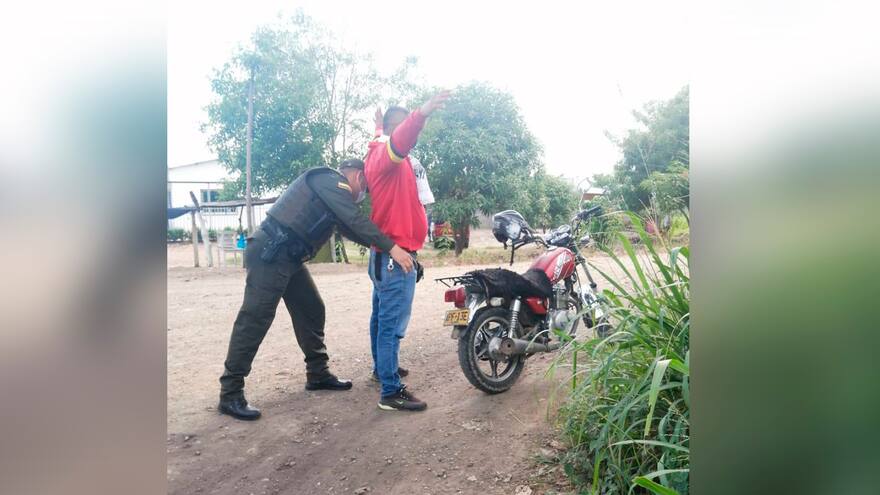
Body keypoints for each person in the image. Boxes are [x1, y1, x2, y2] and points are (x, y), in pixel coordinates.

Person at [218, 159, 415, 421]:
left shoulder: (334, 197)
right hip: (271, 252)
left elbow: (354, 230)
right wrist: (392, 248)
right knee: (255, 318)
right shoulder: (330, 181)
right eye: (365, 187)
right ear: (357, 177)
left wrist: (394, 249)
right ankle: (230, 392)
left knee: (311, 309)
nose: (363, 194)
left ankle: (318, 374)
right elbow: (355, 220)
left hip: (289, 256)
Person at [364, 90, 451, 412]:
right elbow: (402, 136)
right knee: (391, 325)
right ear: (394, 131)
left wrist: (377, 126)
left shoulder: (376, 151)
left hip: (383, 255)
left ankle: (381, 369)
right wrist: (422, 112)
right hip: (394, 256)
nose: (413, 136)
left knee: (379, 318)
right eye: (404, 130)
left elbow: (387, 137)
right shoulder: (389, 157)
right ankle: (390, 391)